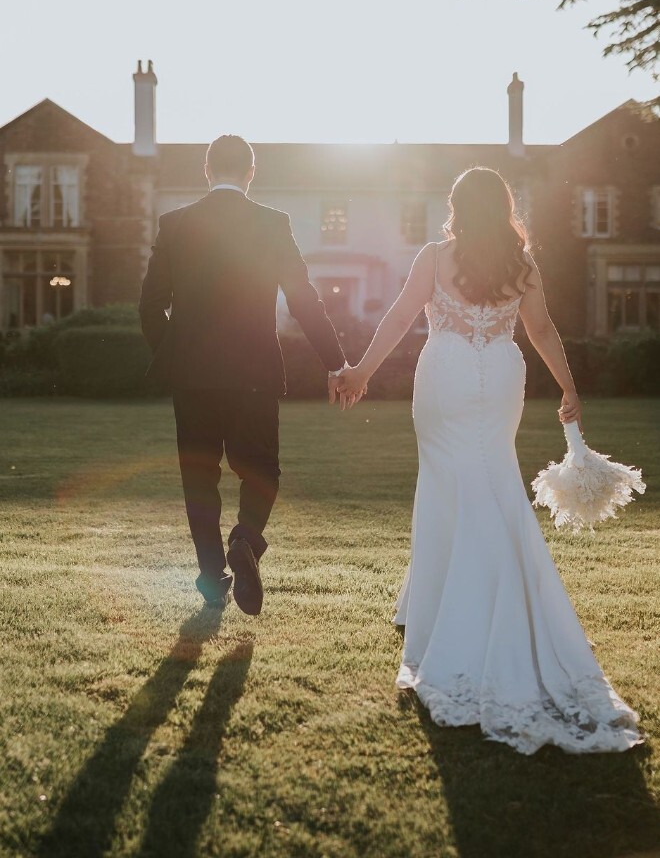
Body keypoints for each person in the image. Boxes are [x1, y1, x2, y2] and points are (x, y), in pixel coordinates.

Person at [337, 167, 641, 754]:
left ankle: (452, 605)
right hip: (500, 375)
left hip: (446, 376)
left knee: (448, 486)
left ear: (456, 207)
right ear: (503, 207)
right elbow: (542, 329)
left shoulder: (433, 257)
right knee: (493, 481)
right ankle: (458, 592)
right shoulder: (521, 265)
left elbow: (400, 318)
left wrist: (361, 373)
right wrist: (568, 387)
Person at [139, 135, 347, 615]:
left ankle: (213, 577)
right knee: (261, 468)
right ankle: (247, 538)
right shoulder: (273, 224)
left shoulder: (175, 225)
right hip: (254, 371)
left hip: (191, 377)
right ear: (251, 173)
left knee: (199, 477)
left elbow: (149, 306)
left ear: (207, 170)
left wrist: (174, 356)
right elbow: (303, 299)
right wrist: (335, 362)